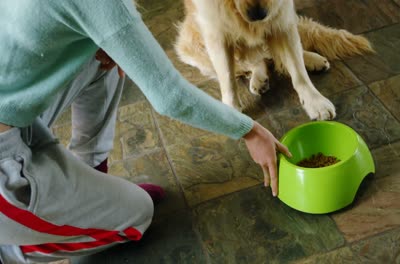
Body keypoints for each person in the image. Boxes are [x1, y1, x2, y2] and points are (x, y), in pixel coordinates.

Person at [0, 0, 291, 263]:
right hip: (5, 163)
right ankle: (13, 246)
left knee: (103, 55)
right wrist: (250, 131)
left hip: (16, 111)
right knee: (138, 215)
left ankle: (93, 174)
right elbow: (170, 96)